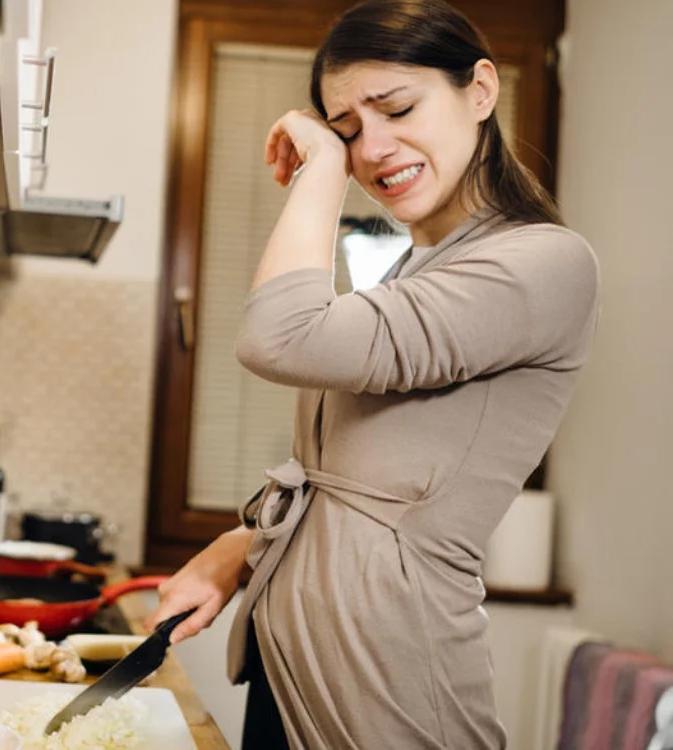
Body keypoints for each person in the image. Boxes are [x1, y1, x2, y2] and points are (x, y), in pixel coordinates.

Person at [142, 0, 600, 748]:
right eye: (348, 129)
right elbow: (352, 476)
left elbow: (279, 337)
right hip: (295, 676)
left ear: (481, 90)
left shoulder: (542, 262)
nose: (373, 148)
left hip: (388, 693)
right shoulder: (414, 270)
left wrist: (322, 166)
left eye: (398, 108)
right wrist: (239, 548)